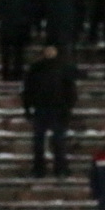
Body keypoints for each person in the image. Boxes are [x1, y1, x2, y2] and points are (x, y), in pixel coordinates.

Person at [23, 43, 77, 178]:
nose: (50, 53)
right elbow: (28, 88)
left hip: (59, 109)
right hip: (41, 108)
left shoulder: (63, 67)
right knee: (38, 141)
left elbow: (70, 89)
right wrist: (27, 107)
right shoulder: (36, 68)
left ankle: (60, 168)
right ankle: (38, 169)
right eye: (47, 50)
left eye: (52, 50)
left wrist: (68, 107)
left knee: (59, 140)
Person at [0, 0, 36, 82]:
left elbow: (30, 12)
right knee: (6, 55)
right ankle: (6, 74)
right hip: (6, 30)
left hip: (20, 30)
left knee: (19, 55)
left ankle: (18, 75)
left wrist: (24, 24)